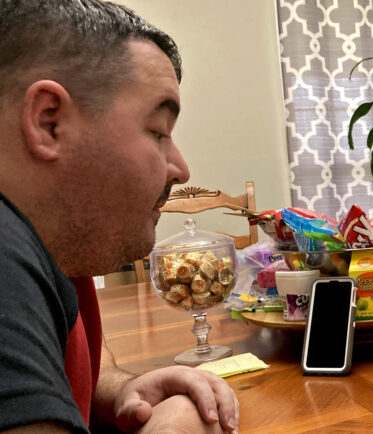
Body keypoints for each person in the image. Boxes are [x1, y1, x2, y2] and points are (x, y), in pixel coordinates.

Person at [0, 1, 238, 432]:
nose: (181, 168)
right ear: (48, 121)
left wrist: (118, 388)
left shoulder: (53, 244)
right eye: (158, 131)